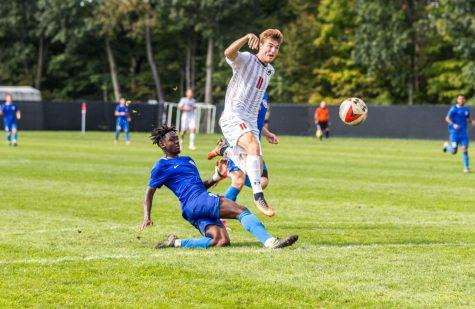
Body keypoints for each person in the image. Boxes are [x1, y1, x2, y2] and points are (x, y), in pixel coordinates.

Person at [140, 125, 298, 250]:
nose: (177, 142)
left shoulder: (188, 160)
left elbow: (198, 186)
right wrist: (147, 217)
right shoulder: (161, 165)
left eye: (177, 139)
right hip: (195, 203)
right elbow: (149, 191)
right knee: (240, 210)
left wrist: (216, 176)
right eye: (172, 140)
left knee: (221, 241)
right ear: (162, 144)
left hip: (195, 206)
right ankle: (270, 241)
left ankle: (175, 243)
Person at [215, 29, 283, 217]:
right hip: (233, 116)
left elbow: (256, 102)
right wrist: (245, 38)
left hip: (250, 123)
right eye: (269, 45)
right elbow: (228, 53)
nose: (273, 50)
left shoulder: (269, 70)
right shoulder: (246, 59)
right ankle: (258, 197)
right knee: (252, 149)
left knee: (258, 174)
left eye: (276, 48)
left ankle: (225, 151)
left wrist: (265, 132)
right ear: (260, 44)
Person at [443, 95, 475, 173]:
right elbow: (447, 118)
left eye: (463, 99)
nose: (461, 100)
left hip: (463, 133)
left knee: (465, 148)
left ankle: (466, 168)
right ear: (457, 100)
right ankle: (447, 147)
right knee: (454, 151)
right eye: (460, 99)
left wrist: (472, 121)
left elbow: (468, 117)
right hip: (455, 133)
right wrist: (453, 124)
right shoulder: (454, 108)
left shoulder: (466, 109)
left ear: (465, 100)